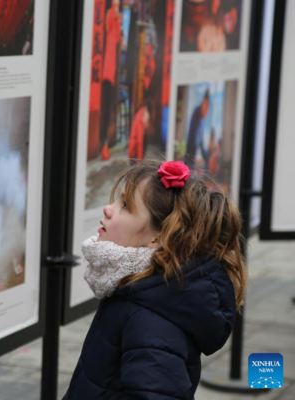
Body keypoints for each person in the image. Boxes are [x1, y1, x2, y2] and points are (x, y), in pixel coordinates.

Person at [63, 160, 247, 399]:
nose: (108, 209)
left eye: (126, 206)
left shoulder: (149, 319)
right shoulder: (140, 288)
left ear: (157, 238)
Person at [99, 0, 122, 161]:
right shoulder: (110, 15)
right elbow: (109, 27)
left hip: (112, 70)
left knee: (109, 109)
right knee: (105, 110)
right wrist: (115, 12)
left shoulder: (117, 18)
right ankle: (103, 144)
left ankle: (105, 144)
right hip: (106, 71)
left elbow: (119, 38)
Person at [184, 89, 211, 170]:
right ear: (203, 103)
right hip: (190, 155)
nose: (207, 111)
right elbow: (193, 137)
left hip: (193, 156)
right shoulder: (197, 113)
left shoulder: (201, 121)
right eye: (206, 106)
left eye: (208, 107)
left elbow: (201, 142)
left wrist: (207, 157)